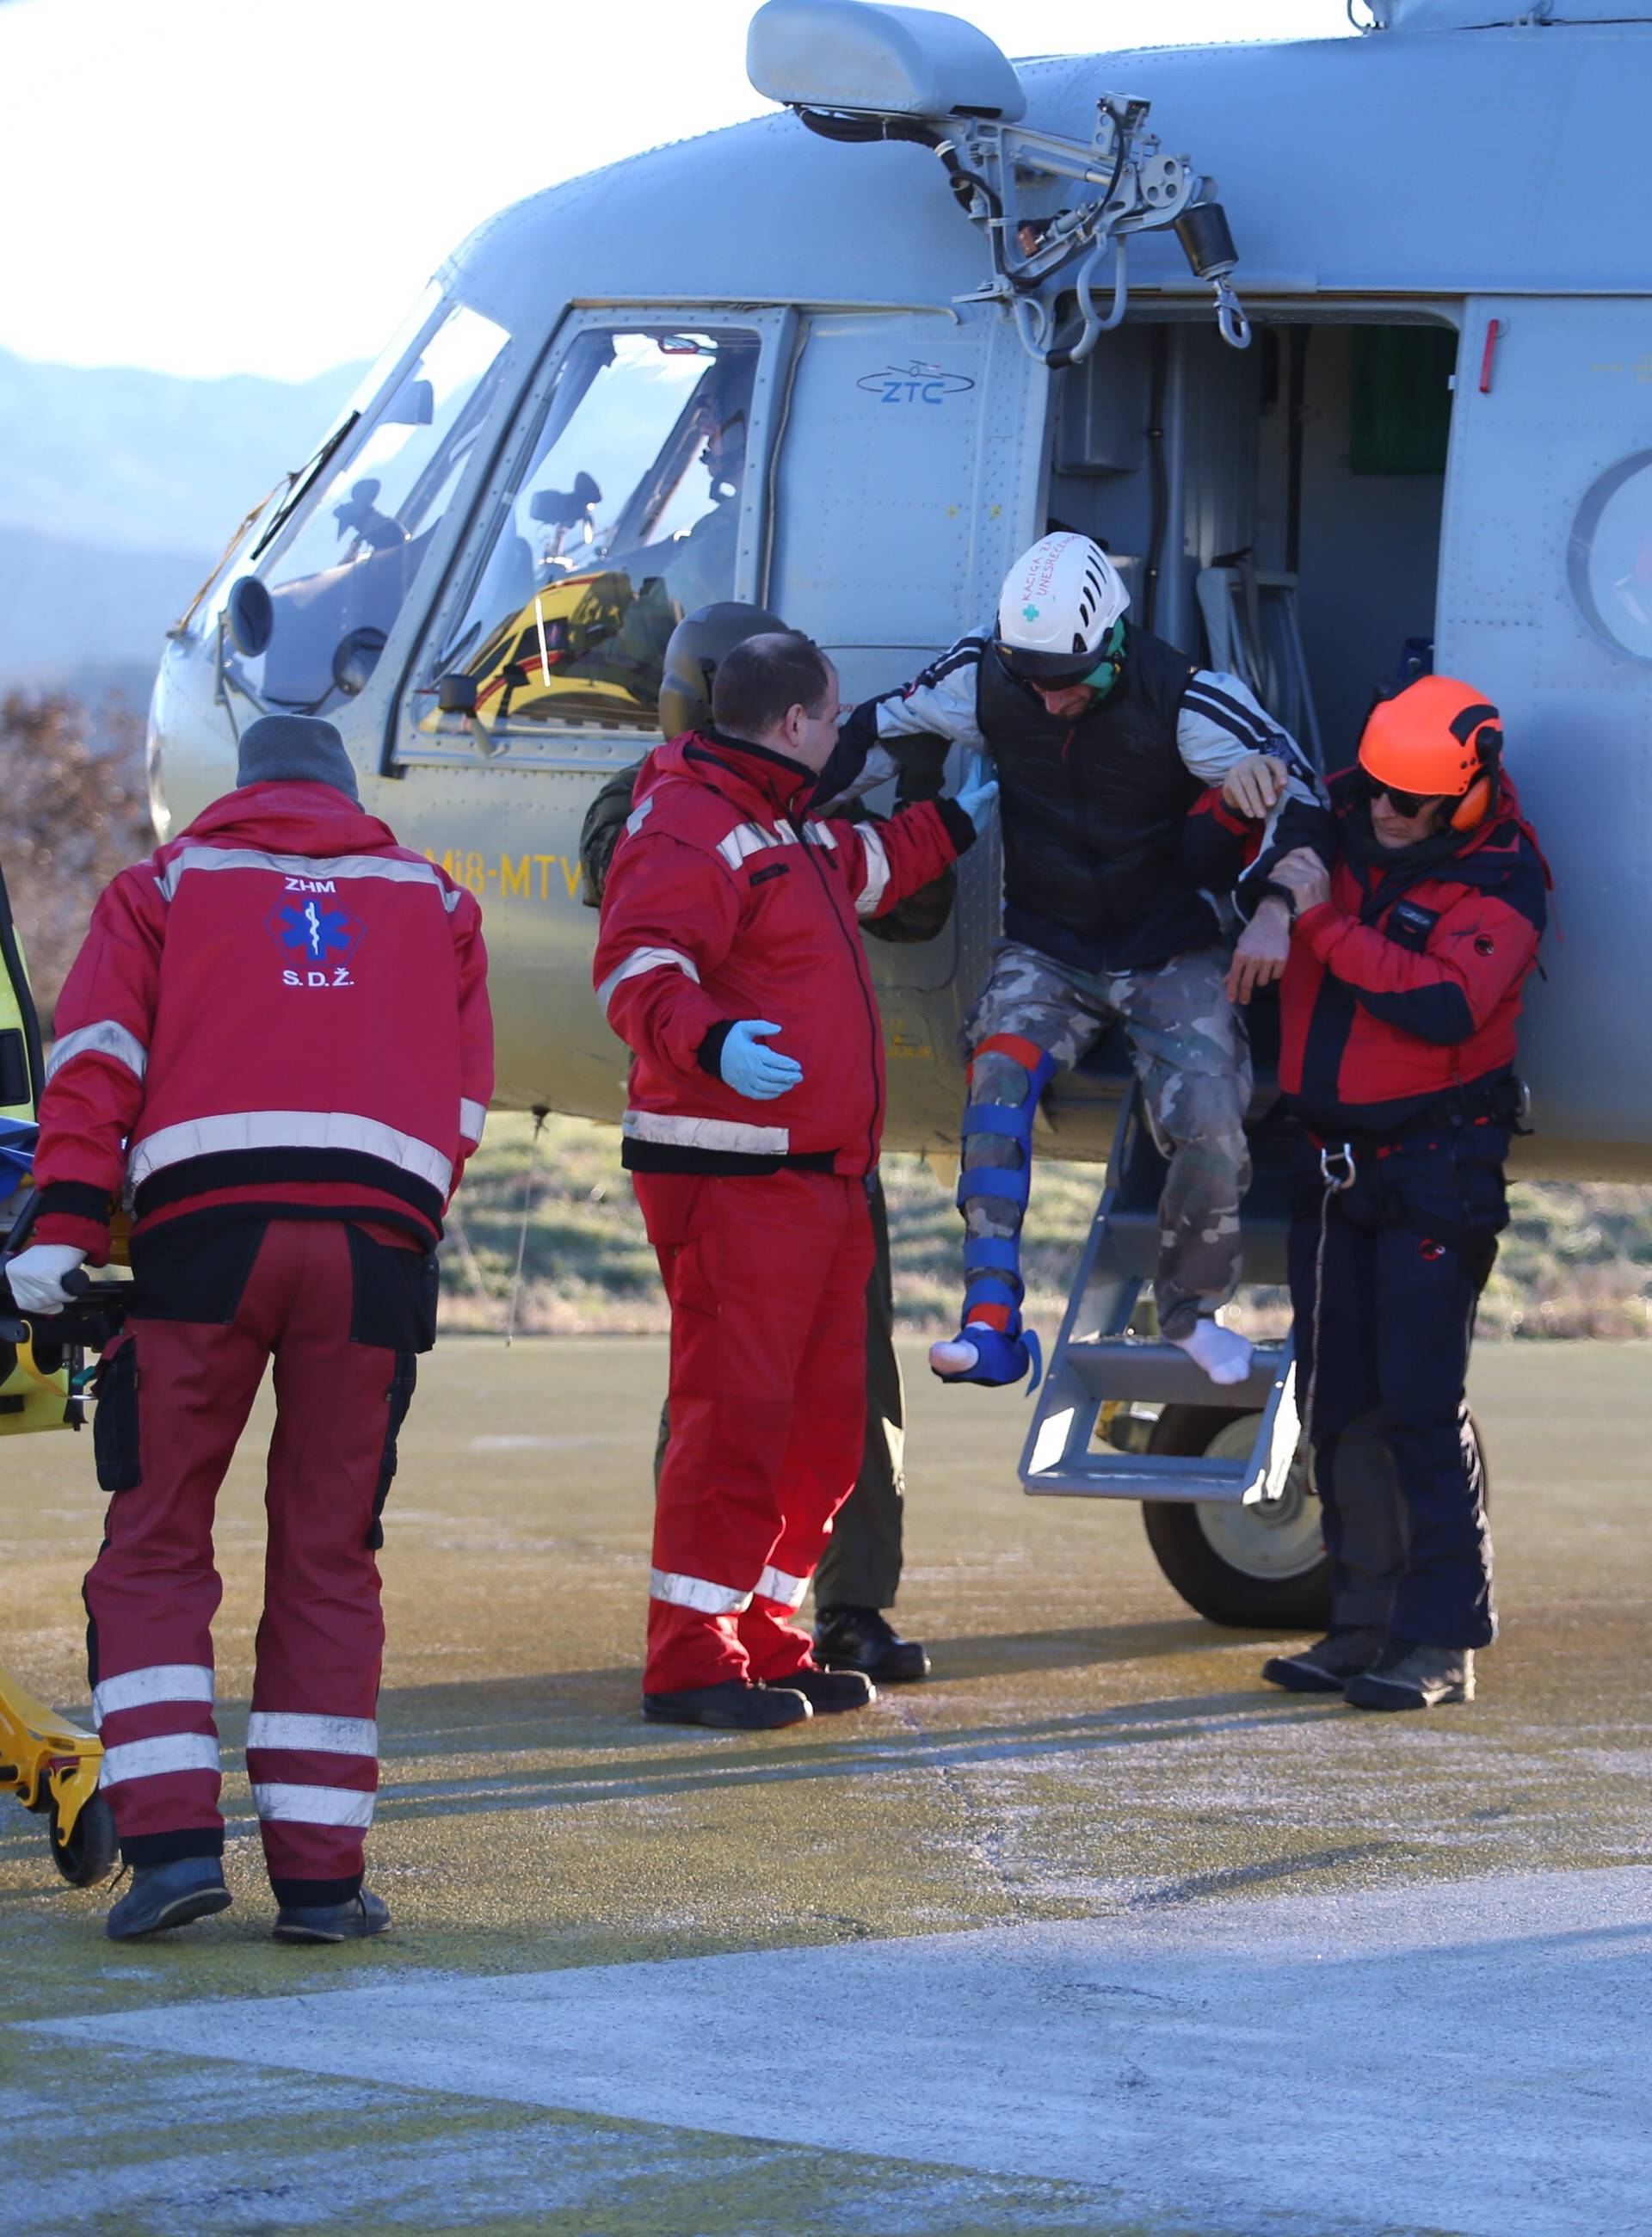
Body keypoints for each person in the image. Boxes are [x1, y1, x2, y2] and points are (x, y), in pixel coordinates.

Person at [5, 715, 492, 1939]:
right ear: (343, 795)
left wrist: (61, 1231)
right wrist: (400, 1214)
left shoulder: (164, 885)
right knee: (330, 1555)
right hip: (375, 1253)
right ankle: (323, 1882)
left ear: (239, 791)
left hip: (201, 1246)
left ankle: (171, 1853)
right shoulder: (437, 902)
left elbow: (98, 1065)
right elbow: (464, 1097)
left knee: (159, 1539)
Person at [593, 632, 992, 1729]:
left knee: (820, 1423)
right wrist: (712, 1044)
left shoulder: (778, 820)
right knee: (737, 1416)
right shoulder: (690, 822)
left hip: (818, 1174)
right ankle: (689, 1654)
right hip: (734, 1175)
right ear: (792, 724)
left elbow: (864, 869)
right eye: (832, 716)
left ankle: (768, 1634)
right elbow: (638, 966)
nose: (839, 732)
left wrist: (955, 820)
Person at [821, 530, 1316, 1390]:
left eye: (1068, 683)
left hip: (1169, 946)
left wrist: (1275, 908)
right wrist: (772, 807)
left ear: (1113, 645)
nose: (1049, 703)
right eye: (1032, 682)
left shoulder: (1194, 703)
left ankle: (1195, 1312)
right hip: (1047, 943)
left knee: (1205, 1116)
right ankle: (991, 1321)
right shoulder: (984, 675)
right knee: (996, 1079)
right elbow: (876, 729)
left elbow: (1304, 799)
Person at [1227, 675, 1548, 1710]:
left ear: (1465, 797)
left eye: (1407, 802)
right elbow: (1289, 819)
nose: (1383, 812)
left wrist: (1309, 920)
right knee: (1337, 1403)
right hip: (1331, 1163)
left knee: (1417, 1403)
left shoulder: (1506, 878)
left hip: (1434, 1167)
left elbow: (1446, 1003)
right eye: (1373, 791)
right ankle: (1362, 1622)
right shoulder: (1345, 808)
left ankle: (1442, 1637)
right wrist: (1279, 880)